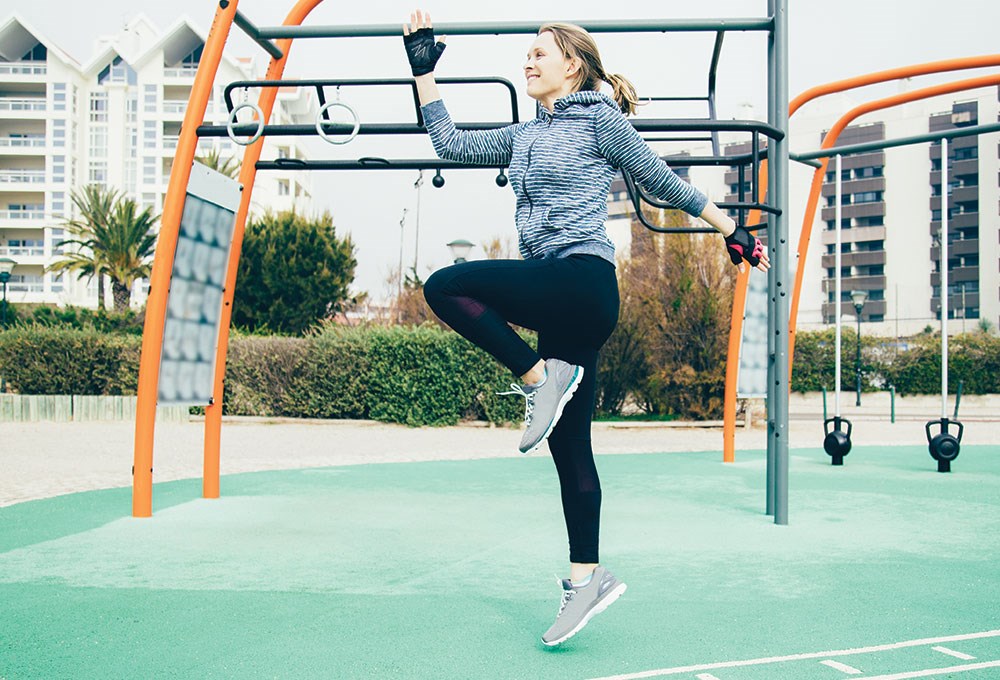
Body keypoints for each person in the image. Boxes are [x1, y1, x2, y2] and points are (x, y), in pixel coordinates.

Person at [403, 9, 770, 646]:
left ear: (572, 66)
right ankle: (586, 580)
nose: (528, 61)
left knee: (445, 285)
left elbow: (660, 179)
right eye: (527, 53)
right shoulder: (522, 136)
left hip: (582, 282)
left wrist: (731, 228)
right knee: (570, 449)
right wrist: (423, 72)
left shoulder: (600, 119)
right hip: (557, 303)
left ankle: (539, 378)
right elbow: (451, 145)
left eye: (539, 53)